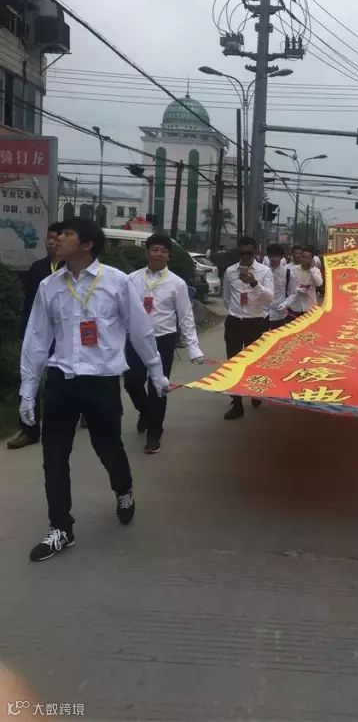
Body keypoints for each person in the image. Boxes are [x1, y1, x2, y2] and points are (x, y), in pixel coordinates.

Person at [19, 218, 169, 562]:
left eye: (66, 234)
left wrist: (156, 371)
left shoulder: (116, 282)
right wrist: (28, 388)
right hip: (61, 381)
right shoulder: (49, 286)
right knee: (54, 456)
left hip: (101, 381)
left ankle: (123, 488)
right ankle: (61, 527)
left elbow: (140, 329)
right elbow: (37, 338)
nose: (57, 239)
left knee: (108, 447)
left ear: (87, 244)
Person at [125, 234, 204, 454]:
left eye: (163, 251)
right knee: (132, 381)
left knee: (158, 387)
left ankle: (154, 433)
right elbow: (122, 310)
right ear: (147, 252)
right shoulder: (131, 279)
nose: (158, 254)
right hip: (136, 339)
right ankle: (145, 412)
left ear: (169, 255)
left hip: (163, 338)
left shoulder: (177, 283)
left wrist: (192, 346)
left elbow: (185, 316)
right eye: (155, 249)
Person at [9, 222, 64, 450]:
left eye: (57, 238)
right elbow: (29, 302)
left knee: (62, 381)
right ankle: (29, 430)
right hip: (38, 332)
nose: (52, 242)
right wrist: (24, 331)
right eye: (49, 237)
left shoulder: (72, 269)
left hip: (64, 335)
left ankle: (74, 416)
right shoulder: (37, 268)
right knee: (29, 378)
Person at [222, 236, 274, 420]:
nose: (245, 257)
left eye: (249, 253)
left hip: (256, 322)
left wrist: (254, 283)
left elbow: (270, 298)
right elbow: (226, 296)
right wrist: (235, 311)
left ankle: (254, 392)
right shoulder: (230, 271)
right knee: (233, 363)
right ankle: (236, 404)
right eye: (242, 253)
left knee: (255, 362)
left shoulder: (264, 271)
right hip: (235, 322)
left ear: (256, 253)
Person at [281, 246, 323, 320]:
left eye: (306, 258)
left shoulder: (315, 271)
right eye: (303, 257)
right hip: (295, 306)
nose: (303, 259)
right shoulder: (294, 270)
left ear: (311, 260)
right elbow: (290, 288)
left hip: (310, 306)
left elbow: (319, 283)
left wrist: (312, 270)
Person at [265, 243, 288, 330]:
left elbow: (293, 292)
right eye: (270, 255)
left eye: (276, 256)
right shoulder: (262, 271)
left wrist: (285, 304)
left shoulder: (287, 272)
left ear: (282, 257)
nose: (273, 258)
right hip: (263, 313)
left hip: (279, 314)